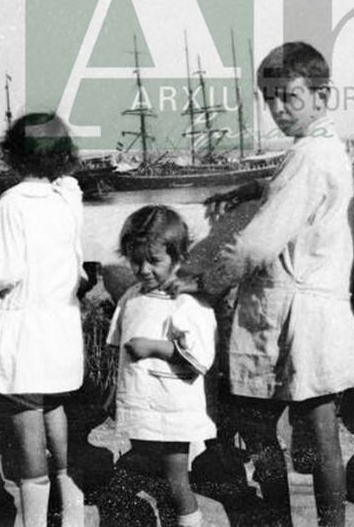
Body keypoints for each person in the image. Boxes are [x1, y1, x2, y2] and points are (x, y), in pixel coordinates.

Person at [195, 42, 354, 527]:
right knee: (319, 436)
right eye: (269, 99)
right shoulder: (322, 149)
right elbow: (291, 193)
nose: (278, 109)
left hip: (294, 313)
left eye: (289, 97)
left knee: (270, 429)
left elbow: (254, 247)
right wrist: (251, 189)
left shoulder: (309, 156)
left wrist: (206, 286)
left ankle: (283, 521)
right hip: (317, 310)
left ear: (320, 96)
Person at [0, 112, 88, 527]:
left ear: (12, 156)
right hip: (57, 325)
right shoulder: (65, 200)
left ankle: (35, 520)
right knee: (52, 407)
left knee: (25, 414)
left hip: (23, 331)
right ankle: (74, 511)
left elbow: (3, 272)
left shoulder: (11, 205)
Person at [108, 205, 216, 527]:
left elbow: (199, 358)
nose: (143, 270)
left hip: (171, 408)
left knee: (175, 481)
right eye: (135, 261)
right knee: (156, 480)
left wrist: (156, 347)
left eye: (154, 261)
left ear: (177, 256)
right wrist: (115, 394)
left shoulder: (185, 301)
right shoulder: (132, 296)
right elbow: (121, 350)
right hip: (141, 403)